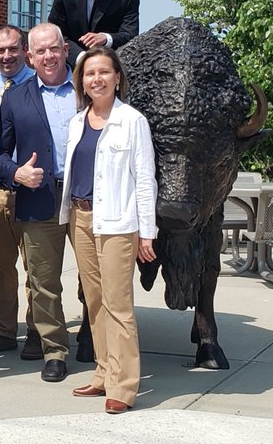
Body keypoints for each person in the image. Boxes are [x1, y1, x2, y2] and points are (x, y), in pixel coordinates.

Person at [59, 47, 157, 415]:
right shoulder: (77, 121)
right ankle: (103, 372)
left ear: (118, 77)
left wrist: (146, 232)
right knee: (95, 302)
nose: (95, 79)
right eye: (88, 73)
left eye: (103, 72)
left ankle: (124, 384)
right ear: (81, 81)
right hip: (80, 219)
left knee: (118, 305)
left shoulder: (132, 121)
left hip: (117, 223)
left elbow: (145, 180)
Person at [0, 22, 78, 384]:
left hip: (87, 197)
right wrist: (16, 174)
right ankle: (54, 350)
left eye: (53, 48)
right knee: (44, 281)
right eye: (39, 51)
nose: (47, 56)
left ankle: (95, 338)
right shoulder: (15, 96)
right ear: (30, 56)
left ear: (65, 50)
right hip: (38, 196)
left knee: (95, 279)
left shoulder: (88, 88)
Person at [0, 25, 37, 355]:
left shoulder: (39, 85)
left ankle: (36, 329)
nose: (7, 56)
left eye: (13, 49)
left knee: (36, 267)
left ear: (25, 51)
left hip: (32, 191)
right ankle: (3, 329)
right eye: (0, 50)